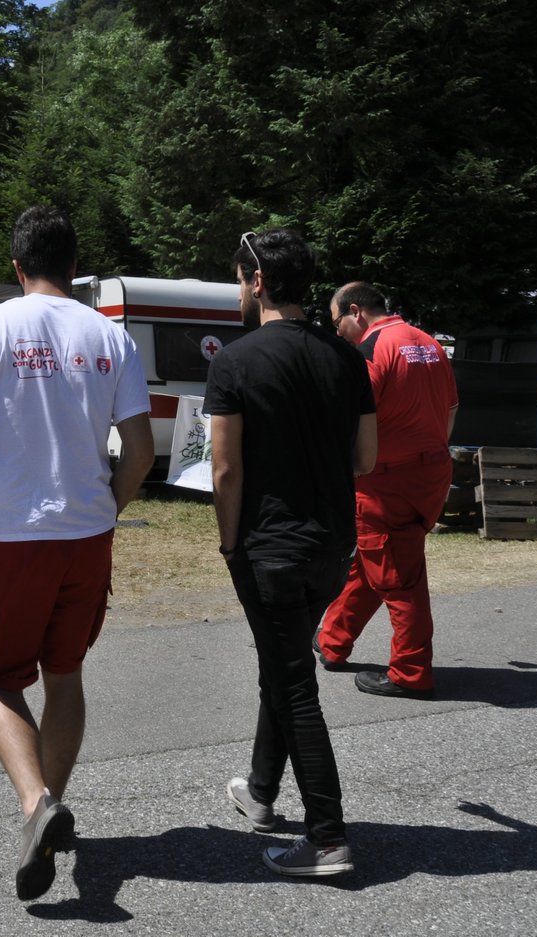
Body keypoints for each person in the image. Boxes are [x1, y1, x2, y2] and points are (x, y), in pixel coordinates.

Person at [0, 204, 153, 902]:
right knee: (65, 672)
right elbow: (138, 452)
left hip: (17, 537)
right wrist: (107, 508)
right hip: (88, 537)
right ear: (74, 266)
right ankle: (48, 807)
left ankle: (34, 806)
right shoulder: (112, 338)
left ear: (17, 269)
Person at [206, 229, 377, 878]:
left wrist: (229, 540)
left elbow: (225, 470)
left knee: (294, 685)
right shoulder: (348, 359)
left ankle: (328, 837)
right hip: (333, 547)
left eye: (238, 277)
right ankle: (259, 789)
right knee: (283, 666)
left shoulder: (236, 361)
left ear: (257, 281)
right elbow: (365, 458)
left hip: (268, 549)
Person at [316, 281, 459, 699]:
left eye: (336, 321)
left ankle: (411, 673)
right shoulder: (428, 343)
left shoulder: (370, 351)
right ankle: (332, 641)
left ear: (355, 312)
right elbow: (450, 410)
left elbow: (350, 425)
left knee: (399, 578)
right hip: (430, 473)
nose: (337, 331)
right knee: (377, 562)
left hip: (385, 480)